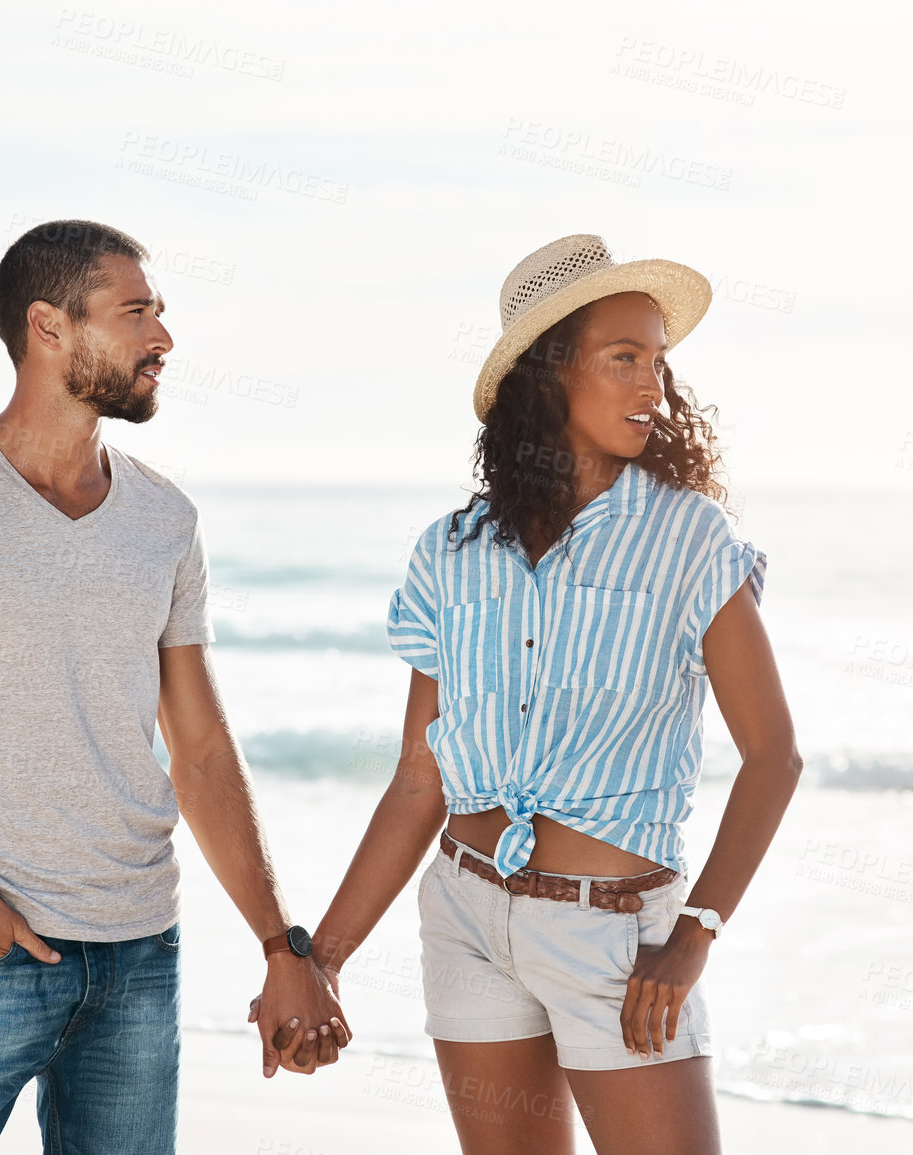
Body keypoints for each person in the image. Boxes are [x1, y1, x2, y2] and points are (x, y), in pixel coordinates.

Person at [0, 219, 347, 1155]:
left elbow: (203, 750)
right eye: (136, 313)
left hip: (140, 957)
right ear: (48, 326)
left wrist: (278, 946)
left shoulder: (165, 518)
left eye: (160, 314)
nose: (162, 339)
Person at [306, 234, 803, 1154]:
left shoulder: (689, 539)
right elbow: (421, 783)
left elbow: (775, 756)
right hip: (465, 915)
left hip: (616, 942)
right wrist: (319, 962)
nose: (653, 387)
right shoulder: (450, 553)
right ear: (548, 376)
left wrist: (693, 935)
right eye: (624, 359)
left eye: (659, 362)